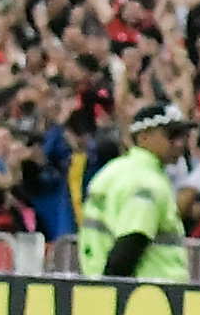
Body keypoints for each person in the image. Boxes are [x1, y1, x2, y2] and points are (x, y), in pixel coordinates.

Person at [78, 103, 192, 282]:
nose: (180, 143)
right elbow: (131, 242)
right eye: (172, 135)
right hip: (149, 295)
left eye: (183, 136)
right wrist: (112, 292)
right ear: (144, 136)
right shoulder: (146, 181)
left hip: (101, 283)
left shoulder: (113, 170)